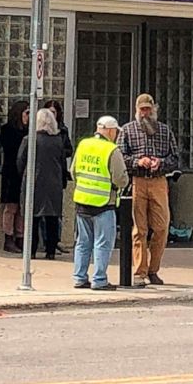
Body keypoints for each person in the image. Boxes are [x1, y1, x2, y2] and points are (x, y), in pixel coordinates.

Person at [117, 94, 179, 287]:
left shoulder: (164, 131)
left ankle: (154, 269)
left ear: (154, 110)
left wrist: (160, 162)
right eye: (142, 109)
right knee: (139, 229)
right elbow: (119, 156)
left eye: (148, 109)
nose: (145, 113)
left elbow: (175, 158)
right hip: (138, 181)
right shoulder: (127, 130)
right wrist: (138, 161)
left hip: (159, 181)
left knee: (161, 227)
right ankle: (139, 271)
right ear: (137, 110)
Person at [71, 116, 129, 291]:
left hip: (82, 201)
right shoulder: (112, 150)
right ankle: (99, 279)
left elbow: (73, 171)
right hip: (104, 203)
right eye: (115, 131)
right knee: (103, 243)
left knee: (82, 242)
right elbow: (121, 179)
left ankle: (79, 277)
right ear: (111, 131)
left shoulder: (83, 145)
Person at [17, 108, 65, 260]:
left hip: (34, 182)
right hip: (53, 183)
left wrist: (25, 175)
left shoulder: (29, 140)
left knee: (32, 218)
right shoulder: (58, 141)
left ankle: (31, 250)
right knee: (52, 218)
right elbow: (63, 162)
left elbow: (20, 161)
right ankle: (50, 250)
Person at [43, 99, 74, 255]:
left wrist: (58, 151)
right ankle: (44, 243)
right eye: (48, 112)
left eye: (53, 112)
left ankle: (55, 242)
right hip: (41, 175)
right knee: (40, 214)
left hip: (57, 174)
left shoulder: (62, 130)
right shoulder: (38, 132)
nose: (51, 115)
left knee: (55, 213)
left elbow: (69, 150)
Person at [0, 101, 29, 253]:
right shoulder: (8, 130)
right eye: (26, 113)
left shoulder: (29, 131)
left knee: (22, 207)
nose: (28, 117)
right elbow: (10, 149)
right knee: (11, 207)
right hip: (12, 172)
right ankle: (8, 237)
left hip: (24, 172)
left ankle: (20, 236)